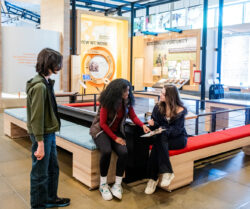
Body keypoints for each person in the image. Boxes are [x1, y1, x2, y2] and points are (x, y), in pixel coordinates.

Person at [89, 78, 151, 201]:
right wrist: (115, 138)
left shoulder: (126, 101)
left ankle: (117, 184)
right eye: (126, 91)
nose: (128, 93)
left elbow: (132, 115)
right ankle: (103, 184)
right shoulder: (107, 102)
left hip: (116, 132)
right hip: (101, 131)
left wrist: (142, 125)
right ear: (118, 92)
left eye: (128, 90)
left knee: (124, 152)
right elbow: (103, 124)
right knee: (106, 151)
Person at [26, 48, 70, 209]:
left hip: (48, 133)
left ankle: (51, 197)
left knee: (52, 168)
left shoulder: (44, 82)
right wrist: (40, 143)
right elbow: (36, 117)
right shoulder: (40, 87)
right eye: (57, 63)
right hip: (42, 135)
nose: (59, 66)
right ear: (49, 63)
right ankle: (38, 205)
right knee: (40, 173)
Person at [145, 85, 188, 194]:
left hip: (178, 139)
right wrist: (153, 124)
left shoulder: (180, 110)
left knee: (158, 141)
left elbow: (177, 130)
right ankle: (167, 172)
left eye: (163, 94)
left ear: (171, 96)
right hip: (163, 139)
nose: (160, 95)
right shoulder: (158, 107)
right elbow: (156, 125)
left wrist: (162, 129)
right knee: (159, 141)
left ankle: (153, 179)